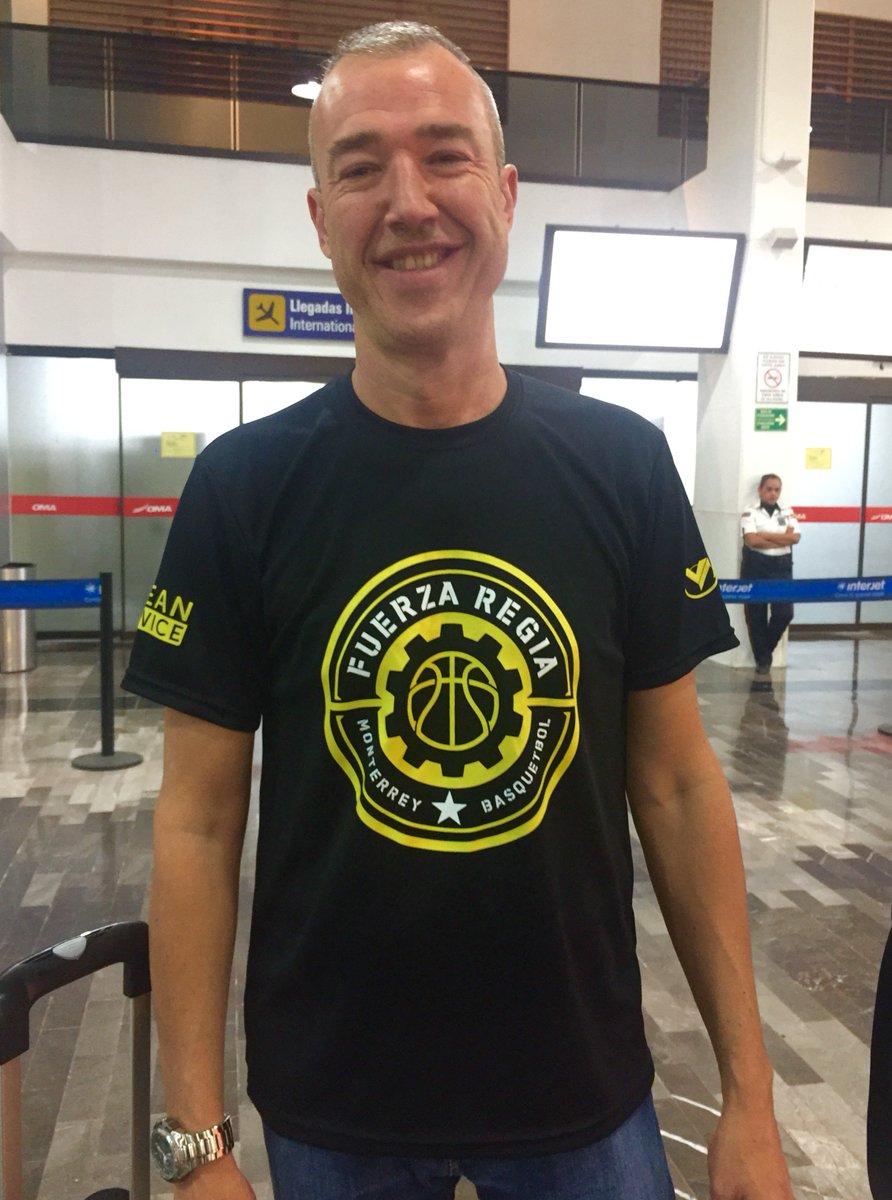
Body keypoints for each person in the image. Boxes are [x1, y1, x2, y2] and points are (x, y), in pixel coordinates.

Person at [123, 21, 794, 1200]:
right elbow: (197, 825)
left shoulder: (623, 467)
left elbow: (681, 787)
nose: (408, 201)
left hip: (584, 1098)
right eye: (361, 166)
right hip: (332, 1108)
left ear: (506, 193)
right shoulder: (242, 488)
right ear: (320, 216)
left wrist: (750, 1095)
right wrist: (194, 1145)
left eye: (444, 156)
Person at [740, 474, 800, 674]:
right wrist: (781, 538)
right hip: (756, 565)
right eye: (769, 489)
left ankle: (764, 651)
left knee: (785, 613)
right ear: (760, 490)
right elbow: (752, 540)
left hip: (781, 566)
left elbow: (795, 538)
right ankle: (763, 660)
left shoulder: (787, 512)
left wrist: (764, 535)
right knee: (756, 615)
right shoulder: (750, 512)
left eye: (777, 490)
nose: (773, 493)